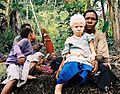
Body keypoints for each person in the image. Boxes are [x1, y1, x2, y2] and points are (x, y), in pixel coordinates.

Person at [54, 14, 96, 94]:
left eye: (81, 26)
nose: (79, 29)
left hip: (85, 59)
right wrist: (68, 56)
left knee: (86, 71)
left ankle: (76, 78)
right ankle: (59, 85)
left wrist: (93, 55)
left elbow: (92, 49)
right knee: (72, 64)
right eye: (76, 27)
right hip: (73, 58)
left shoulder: (87, 36)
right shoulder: (69, 40)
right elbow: (65, 54)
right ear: (72, 27)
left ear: (84, 26)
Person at [1, 28, 35, 94]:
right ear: (30, 34)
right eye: (33, 33)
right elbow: (16, 46)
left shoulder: (30, 44)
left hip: (19, 65)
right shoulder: (25, 40)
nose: (34, 35)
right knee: (14, 79)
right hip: (13, 63)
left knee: (15, 81)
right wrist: (20, 55)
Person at [83, 9, 110, 74]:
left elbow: (102, 54)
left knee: (103, 67)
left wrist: (96, 60)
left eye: (93, 19)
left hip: (96, 62)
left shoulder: (100, 35)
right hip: (80, 61)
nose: (89, 21)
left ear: (96, 22)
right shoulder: (78, 33)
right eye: (87, 18)